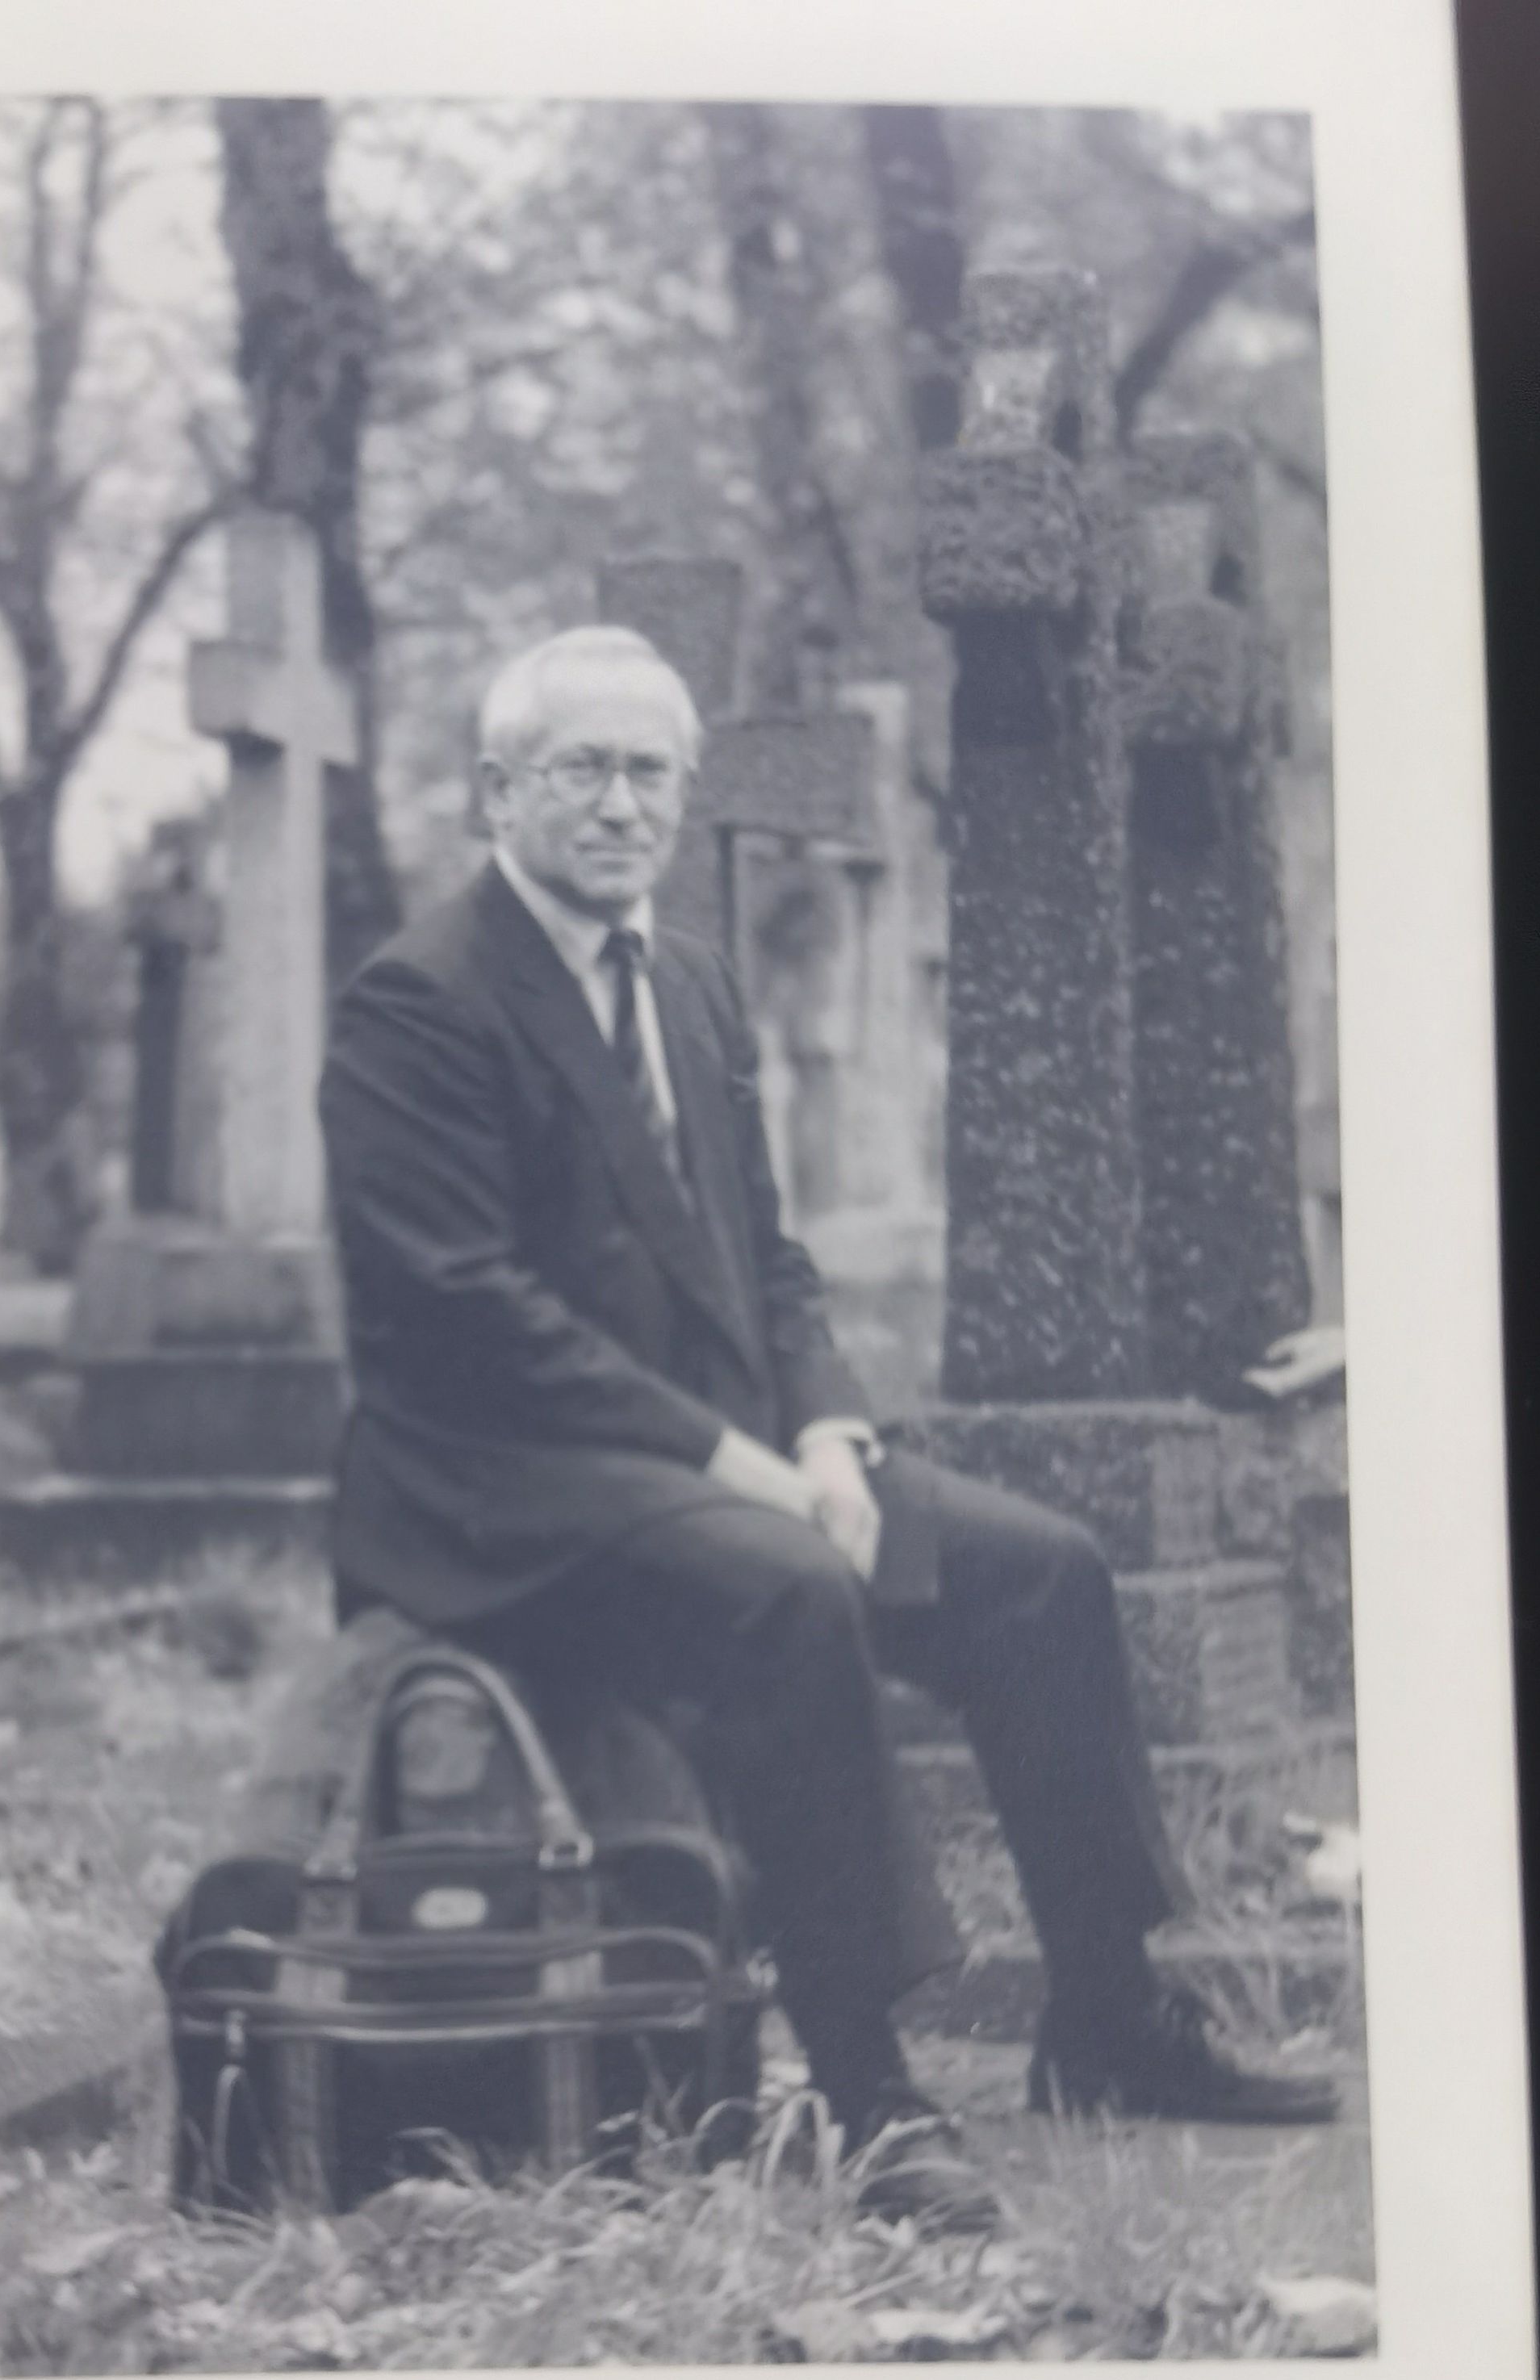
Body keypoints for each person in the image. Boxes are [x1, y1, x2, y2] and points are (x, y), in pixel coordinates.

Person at [316, 623, 1337, 2232]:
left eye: (648, 772)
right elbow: (467, 1319)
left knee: (1041, 1572)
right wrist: (741, 1468)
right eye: (580, 770)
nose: (620, 805)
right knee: (793, 1592)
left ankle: (1107, 2014)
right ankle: (871, 2094)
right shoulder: (418, 1000)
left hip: (718, 1467)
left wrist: (831, 1441)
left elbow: (771, 1265)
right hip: (498, 1493)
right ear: (497, 790)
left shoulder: (689, 982)